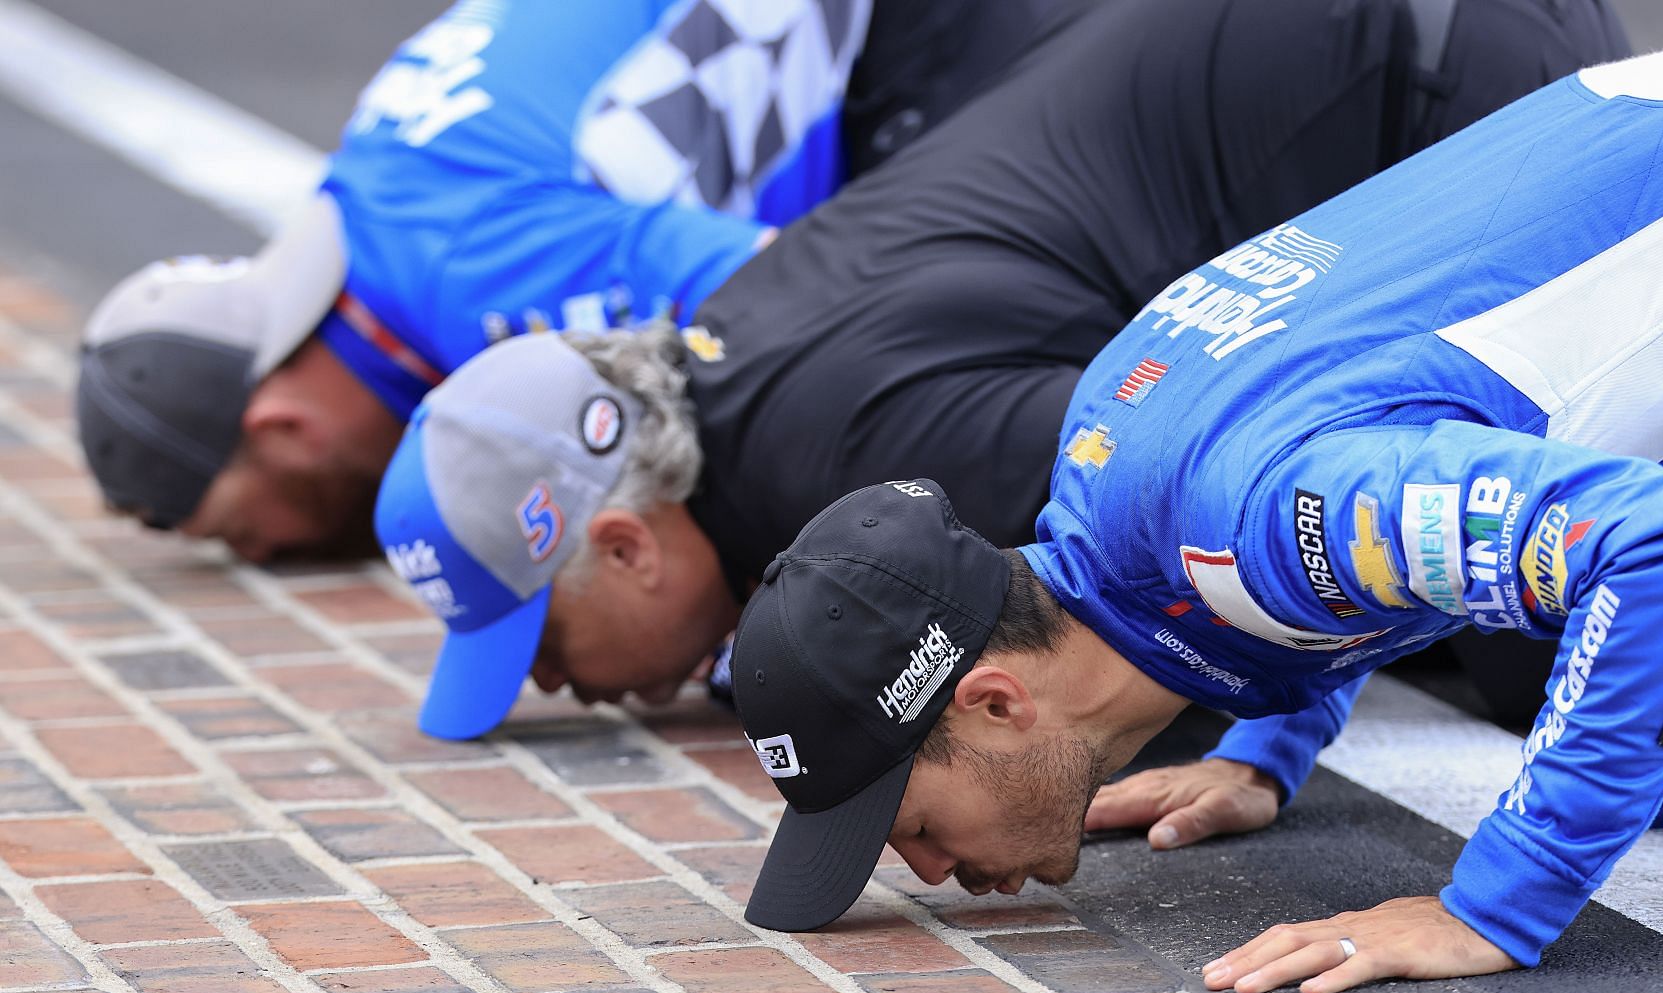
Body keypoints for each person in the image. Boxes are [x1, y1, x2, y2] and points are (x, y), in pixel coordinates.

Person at [727, 20, 1663, 989]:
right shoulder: (1113, 471)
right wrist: (1266, 743)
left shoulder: (1251, 519)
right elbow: (1363, 532)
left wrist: (1494, 906)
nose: (928, 871)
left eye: (908, 820)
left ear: (993, 700)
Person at [372, 0, 1630, 739]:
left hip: (1443, 77)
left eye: (541, 633)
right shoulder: (739, 359)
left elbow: (1218, 465)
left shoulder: (843, 445)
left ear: (630, 541)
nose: (553, 682)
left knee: (1546, 646)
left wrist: (1254, 731)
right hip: (1366, 68)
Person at [71, 0, 1077, 563]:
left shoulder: (479, 283)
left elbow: (810, 302)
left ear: (285, 432)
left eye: (245, 535)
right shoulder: (378, 197)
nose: (264, 556)